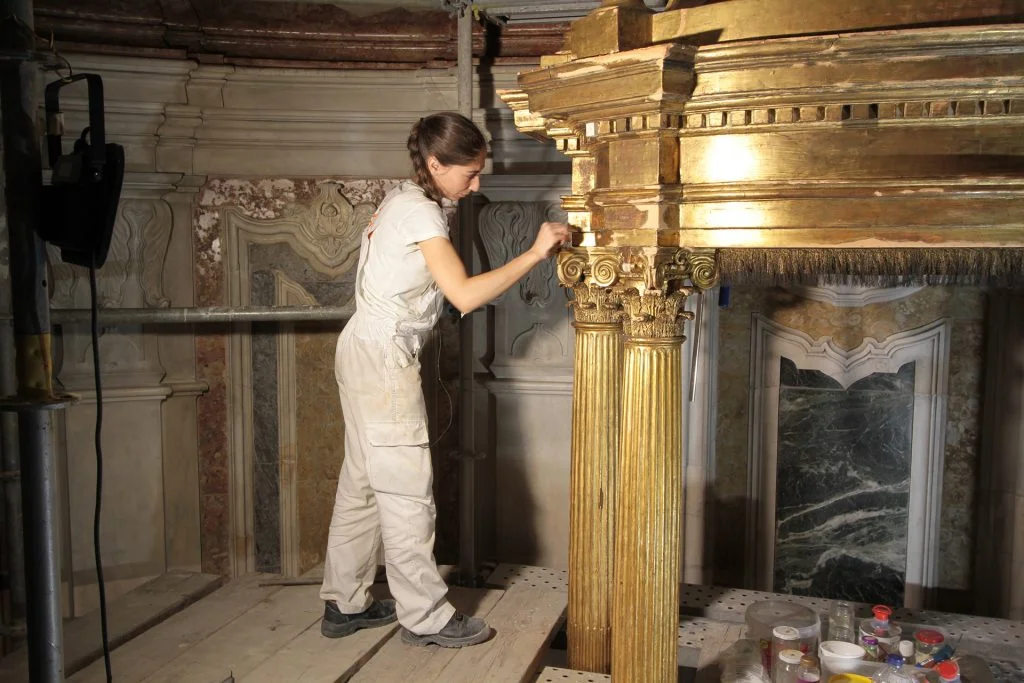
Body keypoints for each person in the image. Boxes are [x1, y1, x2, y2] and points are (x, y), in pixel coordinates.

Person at [318, 111, 571, 648]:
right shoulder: (421, 213)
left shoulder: (402, 198)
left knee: (362, 483)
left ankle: (344, 603)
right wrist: (534, 252)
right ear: (435, 164)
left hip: (362, 346)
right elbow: (465, 295)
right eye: (470, 173)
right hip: (383, 359)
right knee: (407, 491)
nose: (475, 186)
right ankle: (426, 617)